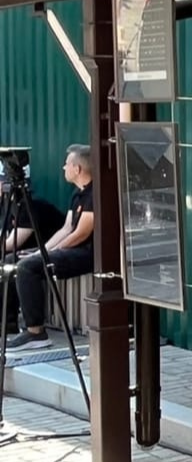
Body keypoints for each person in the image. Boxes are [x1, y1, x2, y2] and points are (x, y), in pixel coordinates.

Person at [6, 145, 96, 351]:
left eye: (67, 164)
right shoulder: (78, 194)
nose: (63, 167)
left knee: (27, 267)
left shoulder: (94, 194)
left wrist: (49, 253)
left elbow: (80, 234)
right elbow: (66, 229)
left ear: (77, 169)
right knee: (12, 260)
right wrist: (42, 250)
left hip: (86, 253)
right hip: (71, 249)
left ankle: (36, 332)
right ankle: (9, 322)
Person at [0, 176, 63, 335]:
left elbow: (12, 243)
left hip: (53, 248)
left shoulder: (28, 205)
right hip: (32, 249)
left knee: (9, 262)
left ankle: (9, 323)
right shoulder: (7, 205)